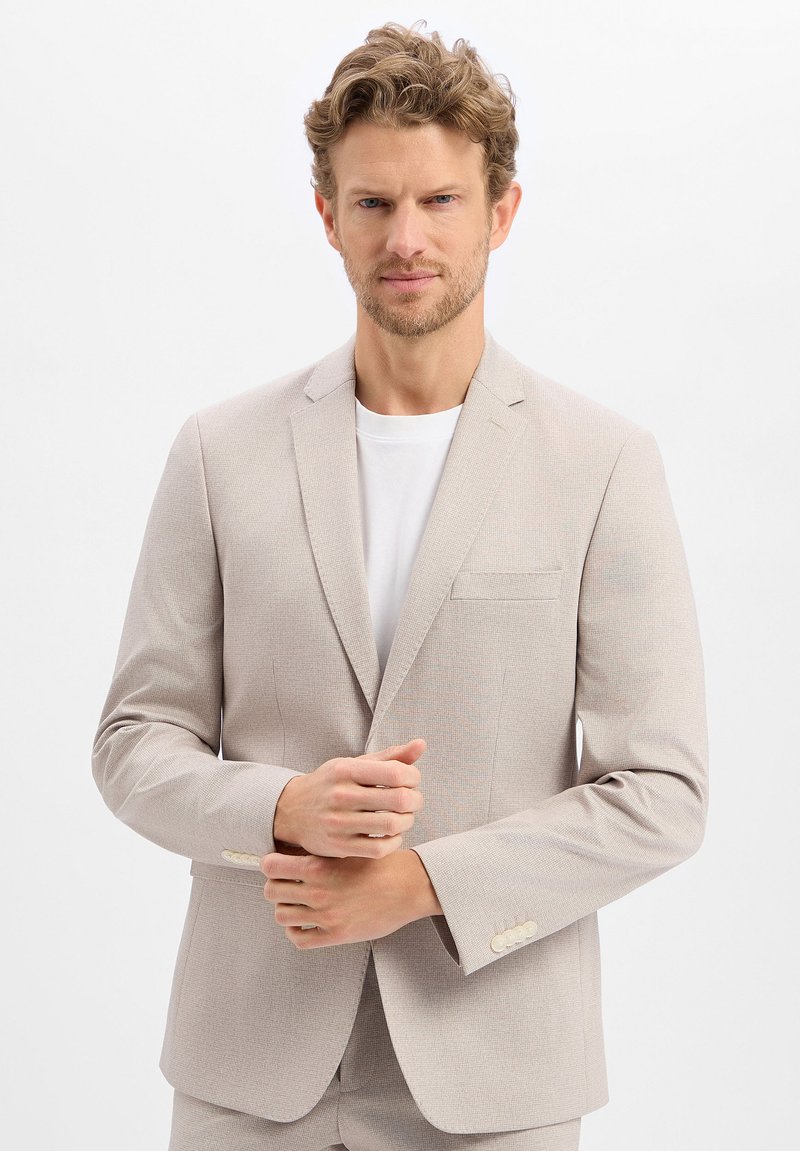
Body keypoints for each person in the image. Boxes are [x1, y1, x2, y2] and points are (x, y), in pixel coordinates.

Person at [92, 21, 708, 1151]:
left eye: (440, 201)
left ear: (501, 213)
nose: (405, 237)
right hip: (247, 1071)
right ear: (327, 215)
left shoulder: (601, 463)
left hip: (493, 1075)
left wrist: (423, 881)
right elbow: (134, 743)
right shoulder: (219, 453)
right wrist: (282, 808)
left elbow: (660, 790)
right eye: (373, 203)